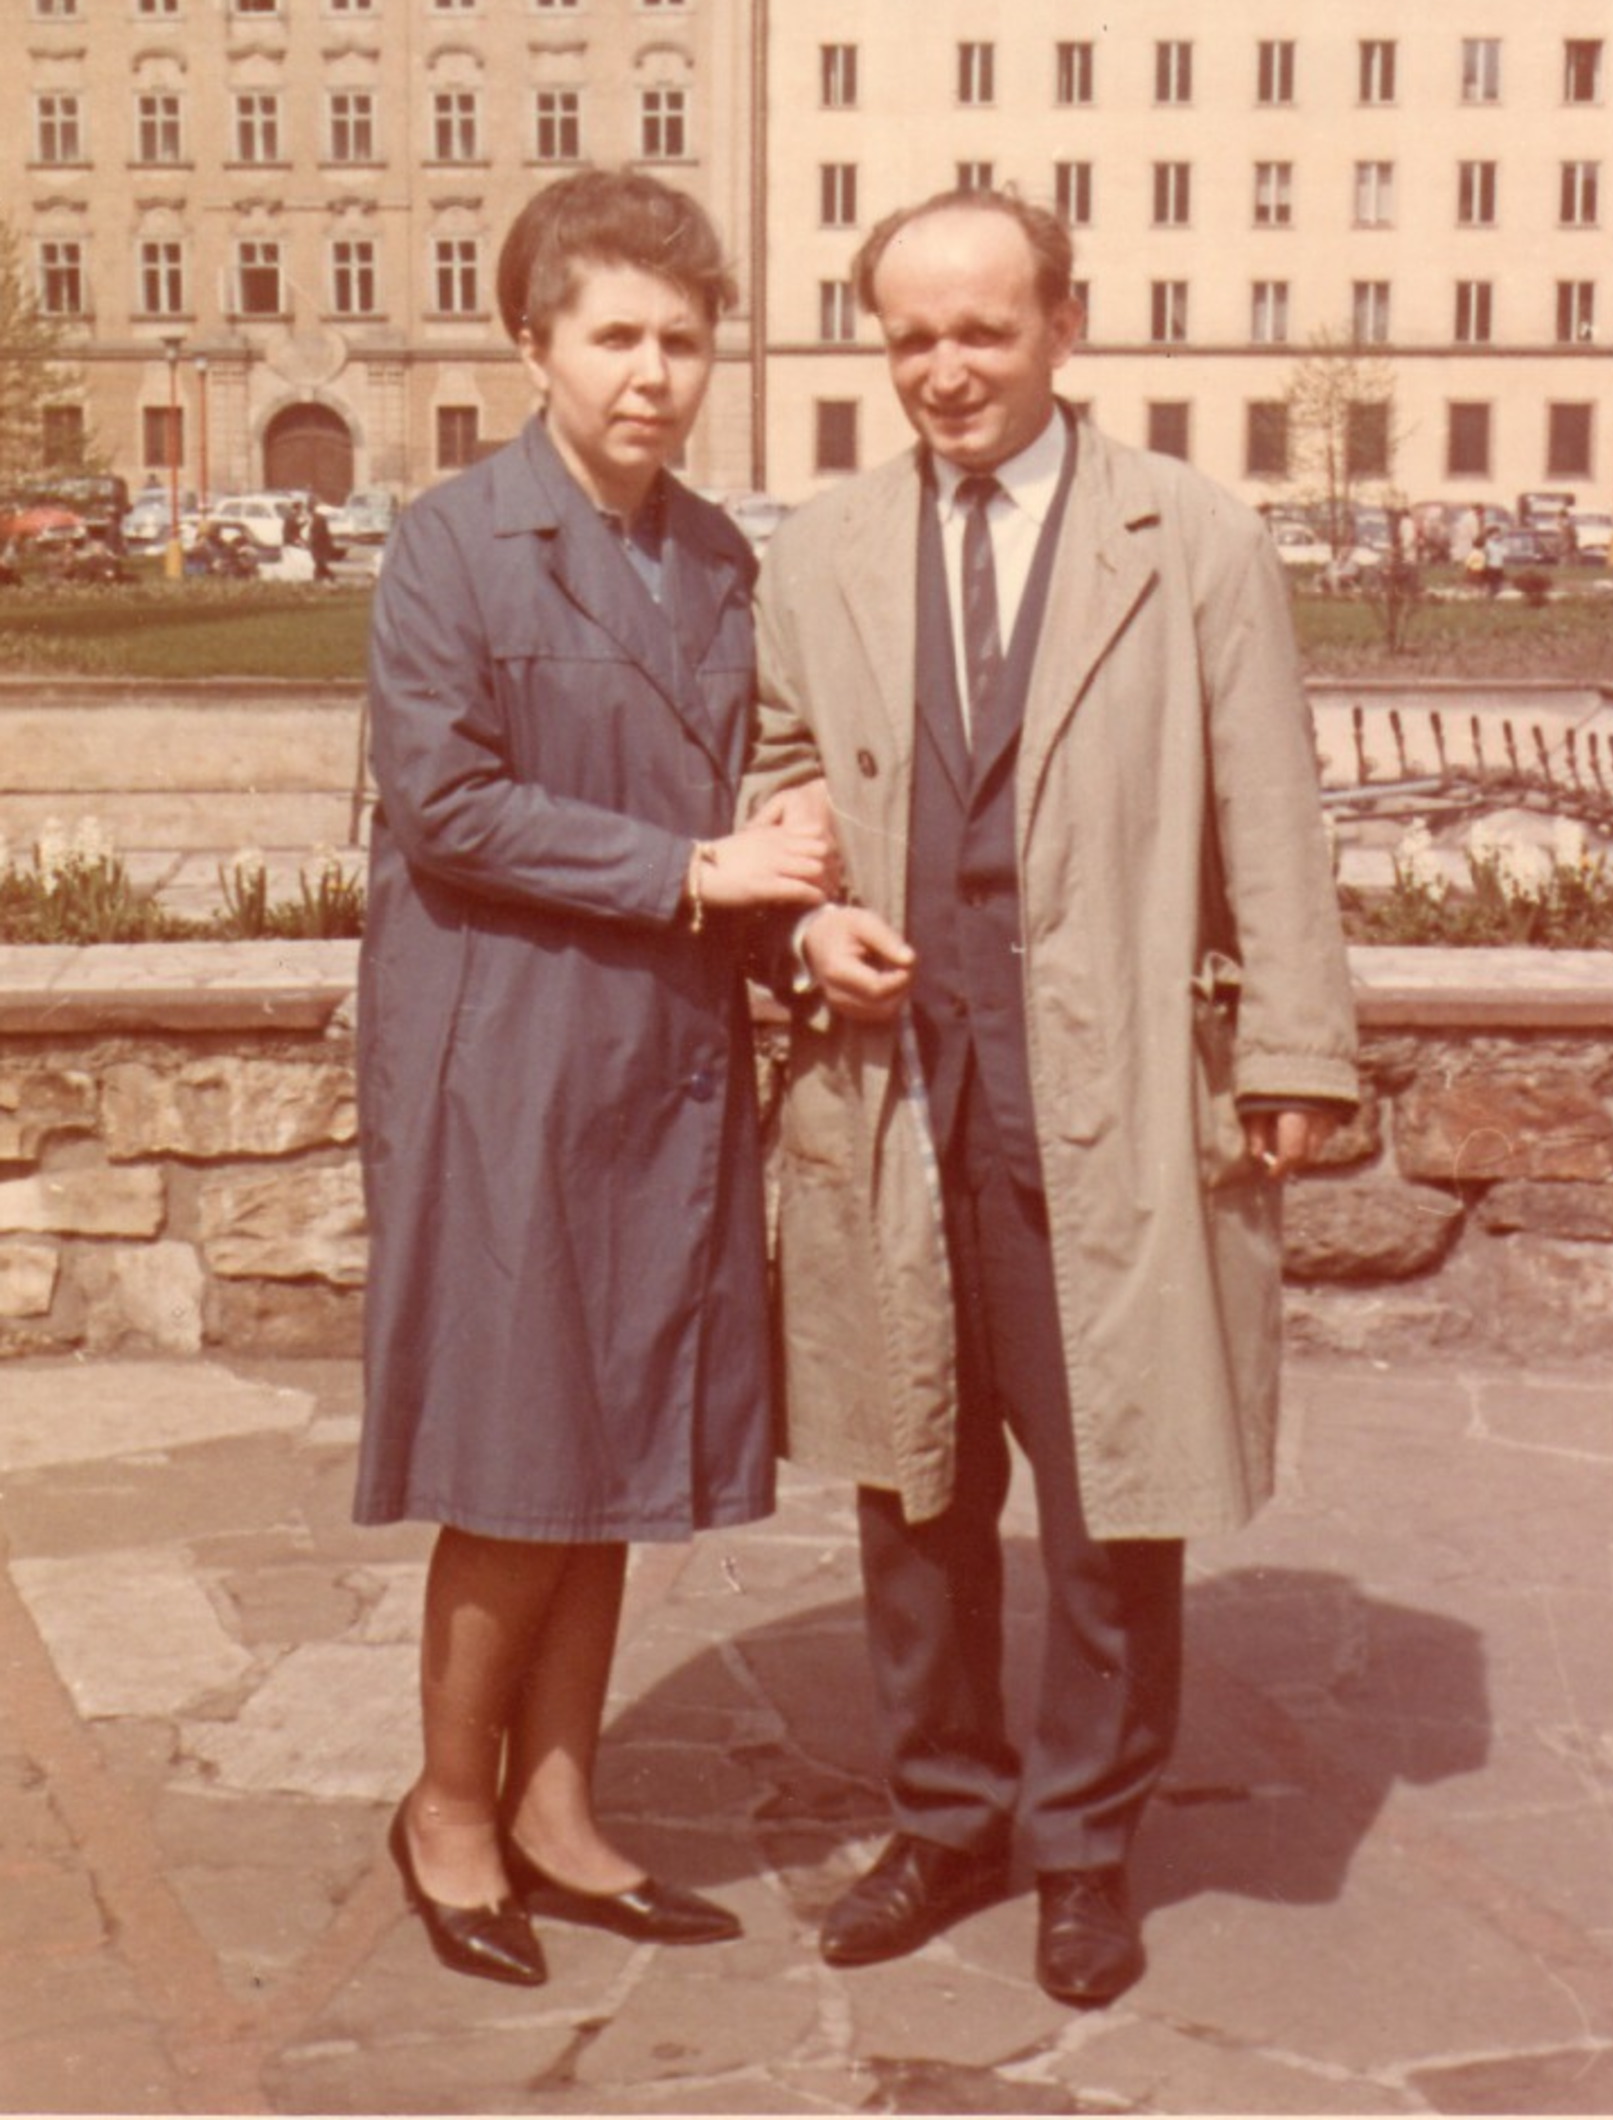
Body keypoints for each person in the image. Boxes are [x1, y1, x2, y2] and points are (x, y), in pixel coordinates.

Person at [745, 188, 1358, 2010]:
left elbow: (1269, 805)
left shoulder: (1189, 536)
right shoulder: (824, 551)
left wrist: (1295, 1049)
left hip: (1108, 1078)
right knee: (912, 1479)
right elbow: (780, 773)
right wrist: (809, 925)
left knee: (1113, 1486)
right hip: (897, 1085)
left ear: (1061, 328)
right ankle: (945, 1821)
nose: (945, 371)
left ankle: (1085, 1848)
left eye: (982, 331)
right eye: (910, 339)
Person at [353, 168, 833, 1988]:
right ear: (531, 344)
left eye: (682, 341)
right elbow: (448, 805)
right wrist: (699, 871)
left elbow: (749, 800)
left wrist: (800, 899)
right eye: (614, 336)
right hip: (506, 1050)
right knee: (512, 1452)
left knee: (623, 1436)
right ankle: (448, 1812)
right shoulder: (450, 542)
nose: (651, 374)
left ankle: (558, 1809)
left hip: (668, 1059)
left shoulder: (714, 555)